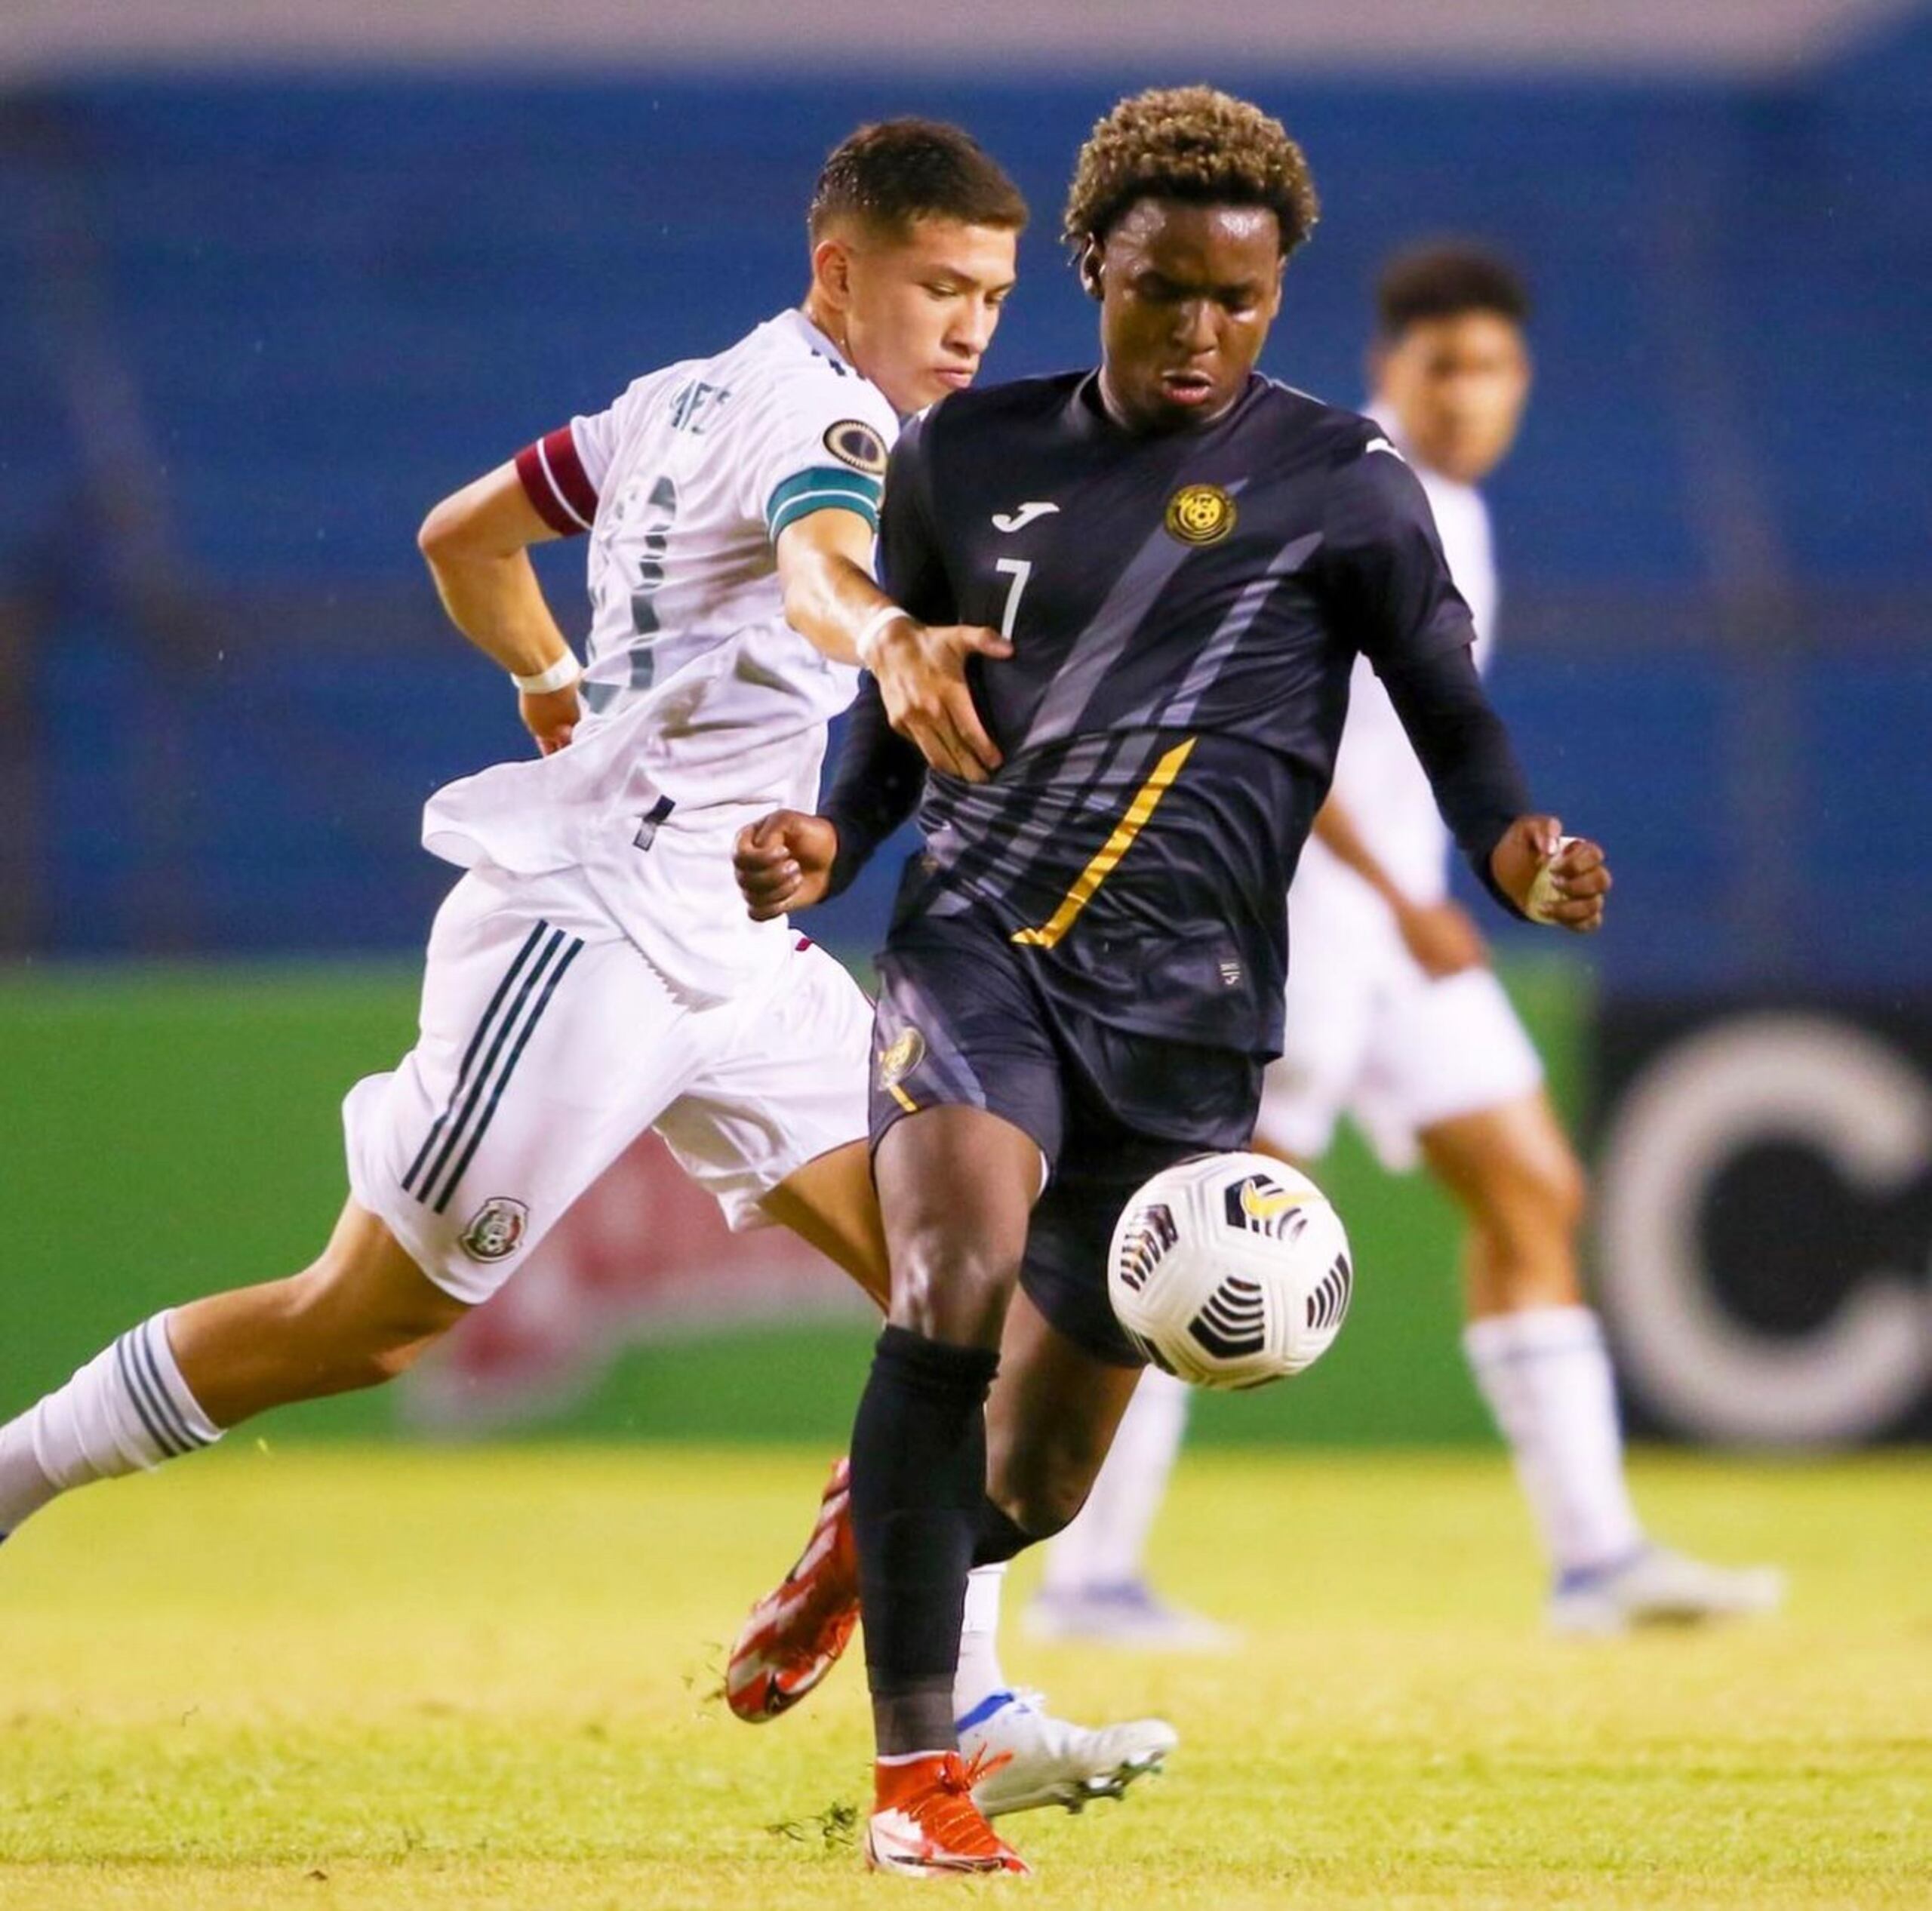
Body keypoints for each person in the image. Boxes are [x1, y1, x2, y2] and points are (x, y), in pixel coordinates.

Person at [0, 118, 1167, 1820]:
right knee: (366, 1323)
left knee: (964, 1297)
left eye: (991, 294)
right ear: (836, 270)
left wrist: (550, 679)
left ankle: (961, 1703)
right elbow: (818, 560)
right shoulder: (826, 418)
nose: (971, 328)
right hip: (597, 929)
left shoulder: (663, 399)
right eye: (936, 287)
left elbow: (461, 537)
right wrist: (885, 633)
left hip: (739, 949)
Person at [729, 86, 1611, 1879]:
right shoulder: (960, 456)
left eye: (1237, 299)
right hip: (979, 952)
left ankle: (863, 1548)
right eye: (1159, 293)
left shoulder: (1342, 484)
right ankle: (918, 1789)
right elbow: (897, 724)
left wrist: (1514, 843)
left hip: (1190, 1016)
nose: (1198, 332)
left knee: (1037, 1482)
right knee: (946, 1280)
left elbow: (1448, 711)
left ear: (1276, 290)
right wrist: (832, 840)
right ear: (1093, 270)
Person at [1027, 242, 1784, 1646]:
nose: (1474, 392)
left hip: (1402, 935)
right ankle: (1086, 1575)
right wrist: (1412, 891)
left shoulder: (1464, 516)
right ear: (1391, 370)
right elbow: (1261, 731)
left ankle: (1597, 1558)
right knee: (1199, 1232)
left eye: (1496, 368)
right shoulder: (1340, 498)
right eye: (1447, 366)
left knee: (1532, 1191)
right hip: (1300, 925)